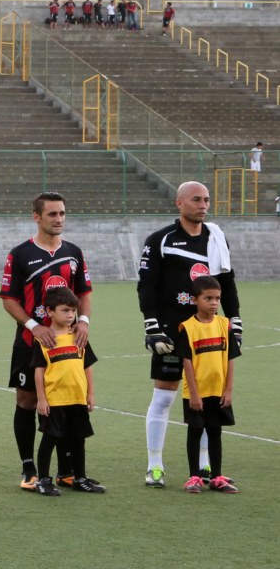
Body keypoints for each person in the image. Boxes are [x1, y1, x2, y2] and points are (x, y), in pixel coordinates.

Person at [136, 181, 240, 488]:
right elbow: (146, 285)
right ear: (179, 203)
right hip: (172, 330)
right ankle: (155, 466)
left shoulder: (216, 237)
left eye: (206, 200)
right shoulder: (161, 239)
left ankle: (205, 465)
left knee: (209, 397)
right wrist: (151, 325)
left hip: (208, 331)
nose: (203, 205)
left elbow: (227, 282)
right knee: (164, 395)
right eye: (196, 199)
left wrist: (234, 319)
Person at [0, 192, 91, 490]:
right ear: (36, 217)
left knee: (67, 400)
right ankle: (29, 468)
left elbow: (84, 293)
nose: (59, 219)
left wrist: (84, 321)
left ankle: (66, 471)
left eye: (62, 213)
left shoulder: (73, 252)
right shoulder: (20, 254)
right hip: (30, 342)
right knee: (27, 401)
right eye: (52, 214)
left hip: (67, 342)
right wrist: (34, 326)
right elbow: (9, 299)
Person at [30, 287, 102, 497]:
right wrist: (41, 399)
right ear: (49, 311)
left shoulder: (79, 337)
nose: (70, 315)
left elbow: (87, 366)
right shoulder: (44, 340)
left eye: (73, 311)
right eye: (65, 310)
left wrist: (90, 394)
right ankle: (43, 480)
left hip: (77, 399)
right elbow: (39, 371)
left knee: (78, 439)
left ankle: (80, 478)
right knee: (49, 440)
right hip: (55, 401)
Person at [175, 276, 240, 494]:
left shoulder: (224, 324)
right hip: (196, 393)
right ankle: (194, 477)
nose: (214, 303)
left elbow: (230, 358)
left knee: (215, 431)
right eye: (208, 298)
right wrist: (194, 394)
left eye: (217, 299)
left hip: (218, 391)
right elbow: (187, 363)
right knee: (195, 431)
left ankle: (216, 477)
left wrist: (228, 390)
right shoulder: (187, 328)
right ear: (194, 300)